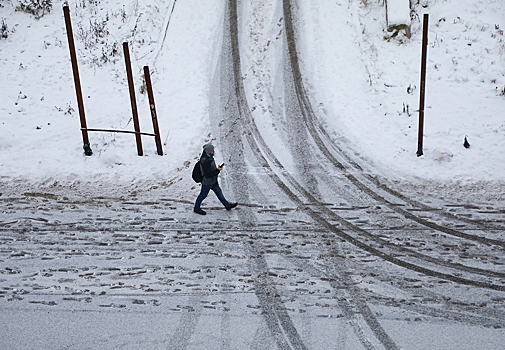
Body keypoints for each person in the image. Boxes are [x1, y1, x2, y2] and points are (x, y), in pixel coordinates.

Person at [194, 144, 237, 215]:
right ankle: (196, 208)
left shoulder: (209, 157)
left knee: (219, 192)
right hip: (207, 182)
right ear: (209, 151)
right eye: (212, 150)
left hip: (213, 181)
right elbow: (207, 174)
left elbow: (210, 170)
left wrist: (216, 169)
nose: (214, 151)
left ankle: (227, 205)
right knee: (203, 195)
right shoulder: (205, 161)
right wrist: (217, 170)